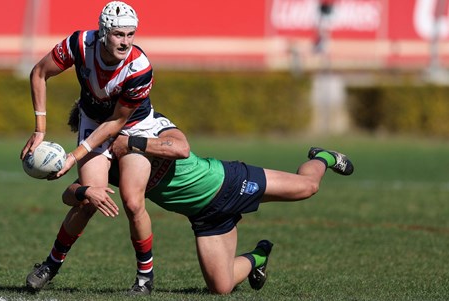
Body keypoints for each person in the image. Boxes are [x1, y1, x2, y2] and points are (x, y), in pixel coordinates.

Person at [28, 113, 355, 295]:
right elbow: (69, 194)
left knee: (308, 187)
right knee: (221, 287)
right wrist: (85, 193)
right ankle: (258, 257)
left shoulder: (149, 124)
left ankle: (322, 156)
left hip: (228, 182)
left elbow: (180, 146)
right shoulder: (104, 160)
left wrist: (134, 143)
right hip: (204, 217)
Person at [20, 1, 167, 294]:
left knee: (133, 202)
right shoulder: (79, 43)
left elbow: (116, 123)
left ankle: (145, 276)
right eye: (118, 34)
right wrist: (39, 129)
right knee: (87, 201)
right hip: (92, 119)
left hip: (132, 128)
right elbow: (39, 73)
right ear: (103, 32)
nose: (125, 41)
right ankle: (51, 264)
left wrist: (74, 156)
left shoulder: (139, 68)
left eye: (130, 34)